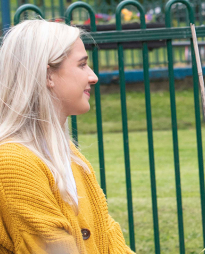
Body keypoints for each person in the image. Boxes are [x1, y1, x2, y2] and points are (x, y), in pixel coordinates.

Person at [0, 20, 134, 253]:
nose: (93, 77)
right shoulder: (13, 162)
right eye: (82, 65)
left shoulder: (68, 155)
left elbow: (108, 235)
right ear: (47, 75)